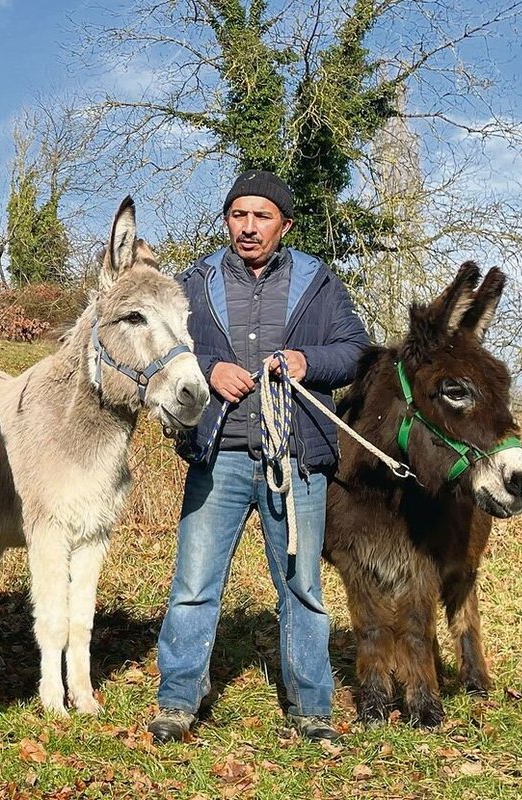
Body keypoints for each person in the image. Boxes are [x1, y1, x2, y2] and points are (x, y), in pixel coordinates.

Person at [148, 170, 369, 744]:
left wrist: (305, 362)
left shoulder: (319, 284)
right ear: (227, 220)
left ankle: (311, 709)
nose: (248, 227)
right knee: (194, 583)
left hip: (294, 460)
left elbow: (356, 351)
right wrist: (206, 370)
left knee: (302, 587)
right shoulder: (193, 283)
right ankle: (177, 700)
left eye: (261, 216)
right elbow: (164, 348)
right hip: (218, 455)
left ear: (284, 224)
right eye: (238, 215)